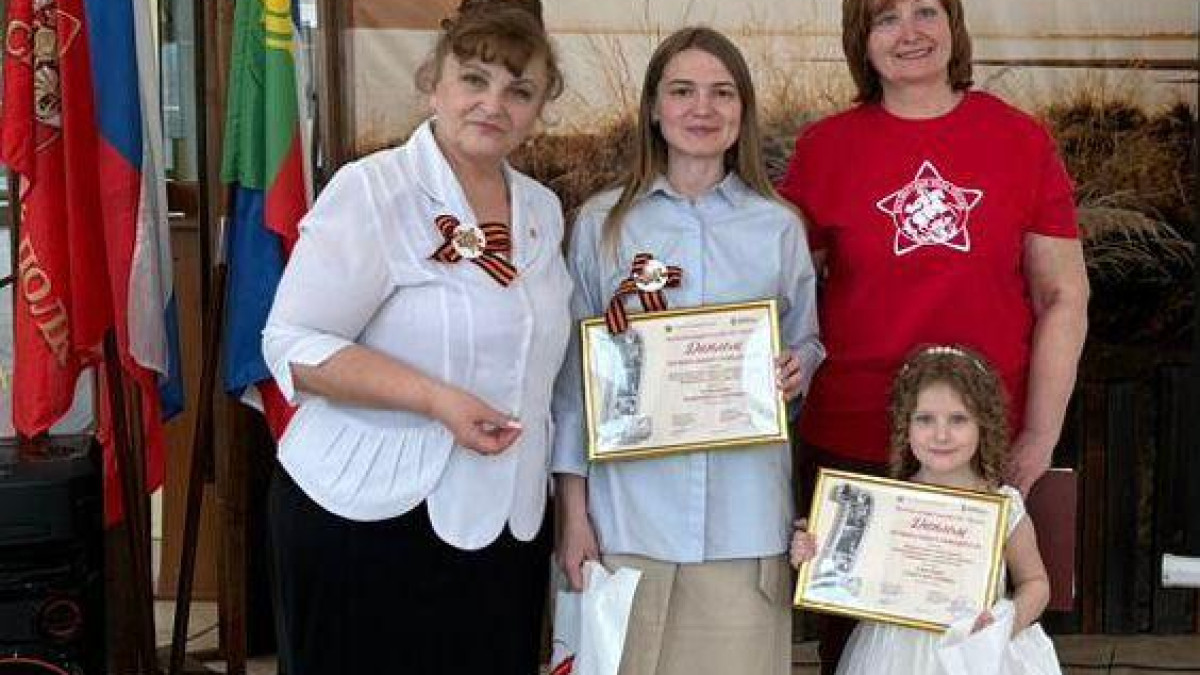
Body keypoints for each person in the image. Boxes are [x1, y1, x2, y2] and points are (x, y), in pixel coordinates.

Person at [260, 1, 570, 672]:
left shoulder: (542, 211)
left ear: (540, 108)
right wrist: (434, 398)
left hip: (507, 526)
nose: (494, 104)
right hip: (368, 516)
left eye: (519, 91)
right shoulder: (373, 191)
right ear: (435, 84)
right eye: (474, 80)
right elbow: (292, 343)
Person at [777, 0, 1088, 668]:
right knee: (860, 655)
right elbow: (785, 293)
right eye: (885, 18)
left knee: (979, 650)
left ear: (955, 24)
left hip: (982, 450)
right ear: (861, 39)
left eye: (926, 10)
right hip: (857, 449)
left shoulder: (1020, 140)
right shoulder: (824, 149)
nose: (909, 32)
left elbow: (1063, 295)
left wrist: (1039, 435)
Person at [552, 26, 825, 675]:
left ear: (742, 110)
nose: (702, 108)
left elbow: (807, 339)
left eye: (721, 92)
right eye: (682, 91)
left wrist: (798, 367)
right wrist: (573, 514)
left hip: (744, 523)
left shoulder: (777, 226)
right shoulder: (602, 225)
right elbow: (572, 386)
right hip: (628, 523)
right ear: (654, 107)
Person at [791, 345, 1062, 675]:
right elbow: (846, 573)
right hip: (892, 656)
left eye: (958, 419)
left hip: (973, 652)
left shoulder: (1003, 506)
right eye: (925, 419)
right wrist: (814, 552)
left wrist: (1006, 622)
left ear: (983, 424)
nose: (941, 435)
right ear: (906, 426)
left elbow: (1035, 582)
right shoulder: (884, 504)